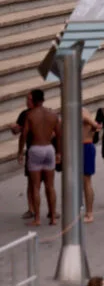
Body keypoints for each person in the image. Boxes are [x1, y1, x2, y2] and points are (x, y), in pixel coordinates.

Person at [21, 89, 60, 226]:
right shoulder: (52, 114)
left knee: (35, 187)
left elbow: (24, 134)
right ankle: (53, 217)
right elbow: (59, 135)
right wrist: (59, 153)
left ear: (33, 100)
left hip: (36, 148)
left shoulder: (30, 115)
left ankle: (37, 218)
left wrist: (20, 151)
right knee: (50, 186)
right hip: (49, 148)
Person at [11, 91, 37, 220]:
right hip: (36, 150)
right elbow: (19, 132)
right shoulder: (24, 114)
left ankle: (48, 211)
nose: (27, 102)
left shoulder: (40, 114)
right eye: (27, 99)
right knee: (32, 182)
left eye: (29, 99)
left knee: (44, 182)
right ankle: (32, 209)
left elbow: (22, 134)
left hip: (38, 150)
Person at [80, 108, 102, 223]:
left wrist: (92, 126)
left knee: (86, 181)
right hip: (79, 146)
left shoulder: (83, 112)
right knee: (81, 181)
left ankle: (89, 212)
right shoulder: (80, 111)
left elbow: (97, 126)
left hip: (85, 146)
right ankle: (83, 209)